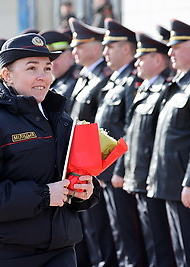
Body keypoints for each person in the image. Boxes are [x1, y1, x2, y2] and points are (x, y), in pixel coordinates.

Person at [0, 33, 100, 266]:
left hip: (59, 250)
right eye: (32, 68)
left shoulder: (59, 118)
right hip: (6, 253)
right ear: (7, 75)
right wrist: (43, 195)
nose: (43, 77)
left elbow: (66, 178)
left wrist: (85, 191)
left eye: (47, 68)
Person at [146, 19, 190, 267]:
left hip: (184, 185)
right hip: (168, 182)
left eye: (176, 47)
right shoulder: (179, 83)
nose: (169, 52)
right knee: (177, 252)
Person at [113, 32, 175, 267]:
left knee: (161, 243)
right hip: (139, 176)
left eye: (142, 57)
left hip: (153, 177)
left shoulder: (163, 91)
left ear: (158, 61)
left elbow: (157, 141)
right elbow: (131, 133)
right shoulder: (145, 89)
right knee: (149, 240)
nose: (136, 62)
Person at [95, 18, 146, 267]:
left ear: (126, 49)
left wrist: (120, 169)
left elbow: (128, 130)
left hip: (119, 170)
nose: (104, 52)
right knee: (116, 227)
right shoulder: (114, 80)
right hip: (105, 168)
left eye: (110, 46)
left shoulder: (132, 83)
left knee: (128, 228)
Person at [68, 17, 116, 267]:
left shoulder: (103, 79)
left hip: (94, 166)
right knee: (86, 224)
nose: (74, 50)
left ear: (96, 47)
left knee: (101, 225)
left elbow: (102, 130)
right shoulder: (85, 78)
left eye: (80, 45)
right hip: (80, 165)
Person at [39, 29, 79, 112]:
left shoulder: (77, 81)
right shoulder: (55, 81)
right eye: (49, 61)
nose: (52, 64)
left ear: (70, 56)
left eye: (57, 58)